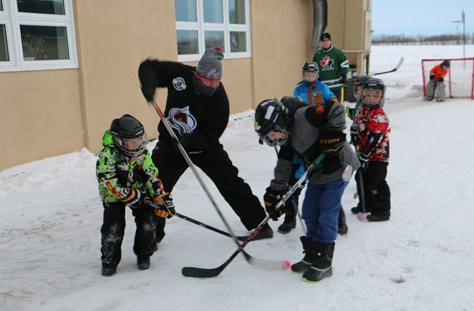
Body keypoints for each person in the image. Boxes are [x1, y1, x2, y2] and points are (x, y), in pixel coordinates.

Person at [138, 46, 272, 242]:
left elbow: (211, 134)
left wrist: (188, 140)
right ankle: (151, 235)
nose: (212, 84)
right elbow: (148, 67)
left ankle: (259, 224)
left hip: (204, 147)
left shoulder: (219, 100)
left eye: (216, 81)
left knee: (230, 181)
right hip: (170, 147)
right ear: (197, 74)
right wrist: (149, 85)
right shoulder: (181, 75)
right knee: (155, 187)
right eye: (208, 79)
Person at [254, 97, 360, 282]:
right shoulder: (286, 141)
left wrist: (332, 135)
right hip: (318, 172)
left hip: (340, 166)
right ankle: (312, 254)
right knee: (310, 212)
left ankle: (324, 262)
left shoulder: (305, 116)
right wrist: (274, 192)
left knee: (327, 212)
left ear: (281, 123)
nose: (272, 139)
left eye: (272, 134)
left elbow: (335, 108)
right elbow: (283, 166)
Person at [96, 114, 176, 277]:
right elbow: (108, 181)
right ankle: (109, 260)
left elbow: (151, 175)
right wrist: (129, 195)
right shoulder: (107, 156)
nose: (136, 144)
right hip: (113, 194)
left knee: (149, 221)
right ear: (119, 141)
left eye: (139, 140)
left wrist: (161, 197)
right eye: (131, 142)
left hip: (138, 189)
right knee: (114, 227)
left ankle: (144, 253)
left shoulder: (142, 154)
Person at [277, 61, 347, 236]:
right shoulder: (298, 89)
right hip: (301, 131)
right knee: (292, 184)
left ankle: (339, 220)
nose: (309, 77)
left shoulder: (322, 87)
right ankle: (290, 218)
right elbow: (294, 107)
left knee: (327, 185)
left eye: (312, 74)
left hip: (318, 133)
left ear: (317, 75)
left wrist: (324, 110)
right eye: (306, 74)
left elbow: (333, 102)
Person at [350, 78, 391, 222]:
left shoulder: (379, 115)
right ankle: (366, 205)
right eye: (368, 94)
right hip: (363, 152)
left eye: (375, 95)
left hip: (378, 155)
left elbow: (375, 137)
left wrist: (366, 153)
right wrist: (354, 137)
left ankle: (382, 210)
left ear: (380, 97)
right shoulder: (362, 109)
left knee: (376, 181)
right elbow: (355, 126)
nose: (371, 98)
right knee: (361, 178)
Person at [312, 32, 349, 101]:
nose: (325, 43)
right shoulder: (317, 55)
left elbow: (345, 65)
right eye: (323, 41)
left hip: (336, 86)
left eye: (327, 40)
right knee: (324, 108)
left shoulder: (338, 53)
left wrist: (344, 75)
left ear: (330, 41)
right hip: (323, 87)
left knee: (337, 107)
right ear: (321, 42)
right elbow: (314, 69)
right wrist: (316, 78)